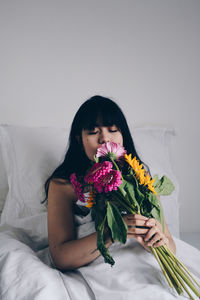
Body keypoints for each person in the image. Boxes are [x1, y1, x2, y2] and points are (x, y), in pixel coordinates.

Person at [45, 95, 176, 271]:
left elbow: (171, 247)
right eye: (93, 132)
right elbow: (61, 257)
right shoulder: (63, 184)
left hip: (146, 266)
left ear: (123, 135)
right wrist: (113, 232)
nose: (105, 139)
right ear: (79, 139)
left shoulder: (139, 176)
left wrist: (157, 240)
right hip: (100, 269)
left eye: (113, 130)